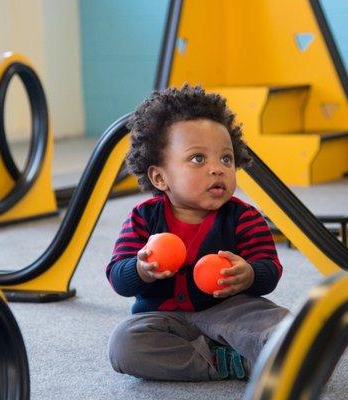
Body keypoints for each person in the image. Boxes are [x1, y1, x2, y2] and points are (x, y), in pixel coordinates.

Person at [106, 84, 290, 381]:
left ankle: (240, 351)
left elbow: (269, 268)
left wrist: (250, 274)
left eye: (226, 159)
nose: (217, 169)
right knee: (124, 346)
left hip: (230, 312)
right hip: (164, 321)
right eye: (198, 159)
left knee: (289, 330)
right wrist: (141, 269)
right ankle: (223, 361)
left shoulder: (244, 216)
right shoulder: (143, 217)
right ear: (160, 177)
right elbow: (117, 277)